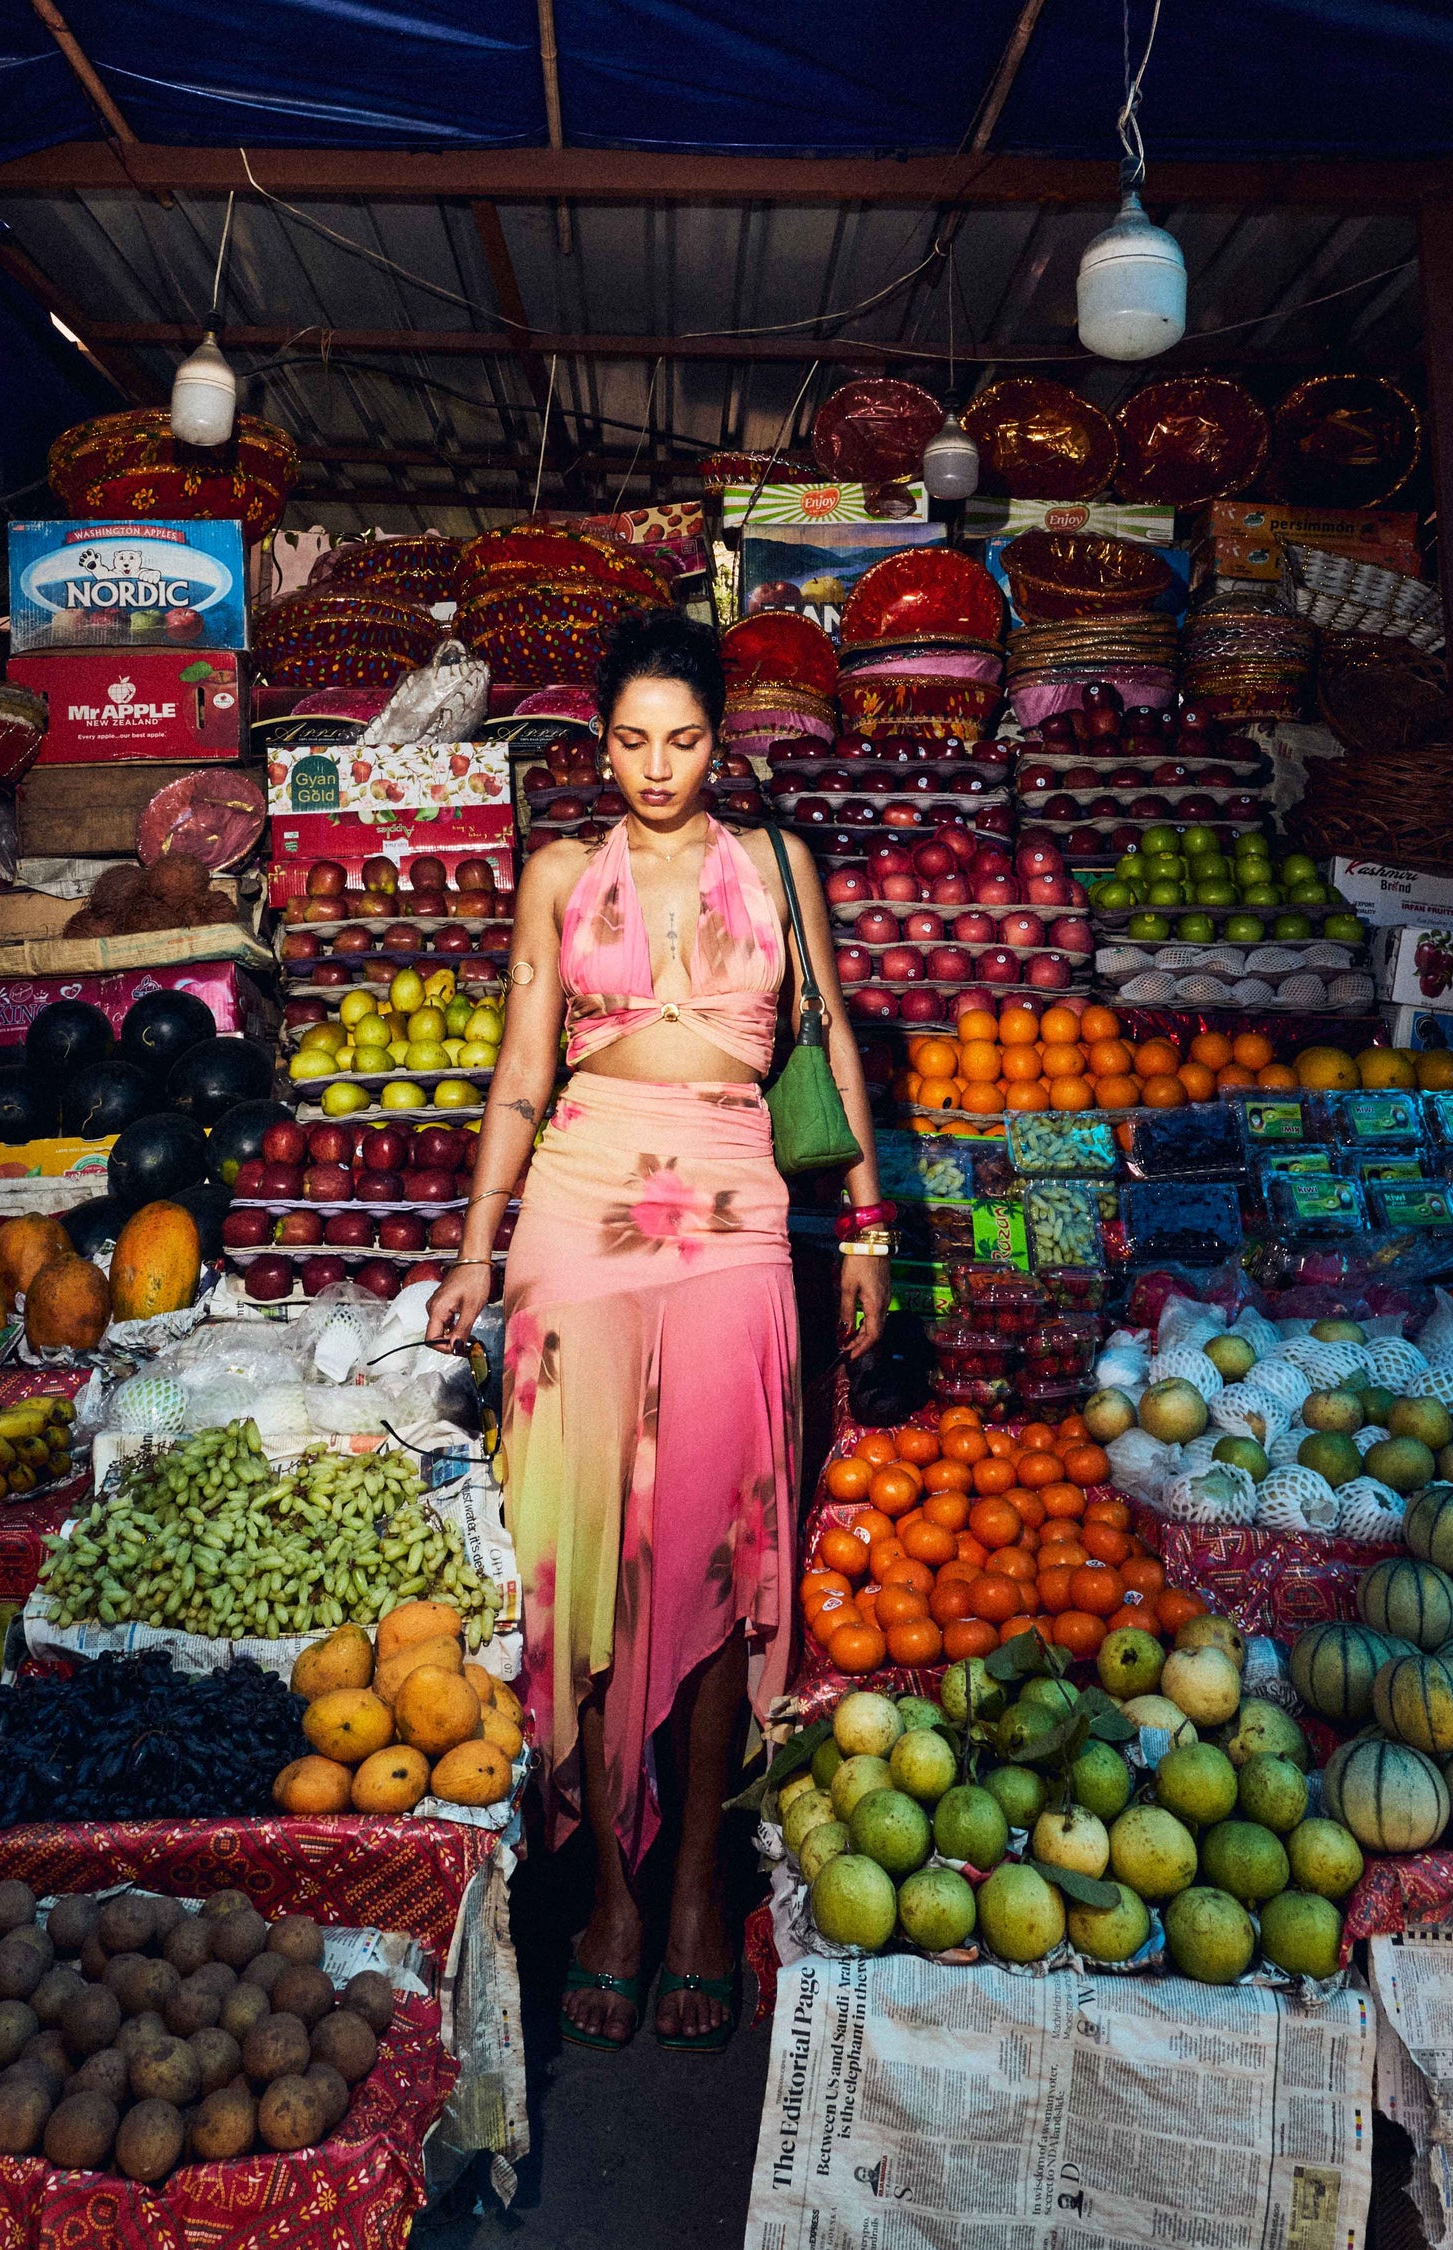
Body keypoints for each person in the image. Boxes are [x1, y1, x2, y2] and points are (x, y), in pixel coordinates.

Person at [426, 609, 889, 2051]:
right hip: (579, 1198)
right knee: (580, 1551)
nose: (655, 767)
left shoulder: (775, 862)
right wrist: (476, 1248)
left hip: (738, 1198)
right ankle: (610, 1899)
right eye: (629, 741)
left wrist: (865, 1218)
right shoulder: (561, 871)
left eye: (681, 739)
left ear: (720, 734)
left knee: (711, 1538)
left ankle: (698, 1885)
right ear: (600, 742)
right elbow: (520, 1064)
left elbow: (827, 1030)